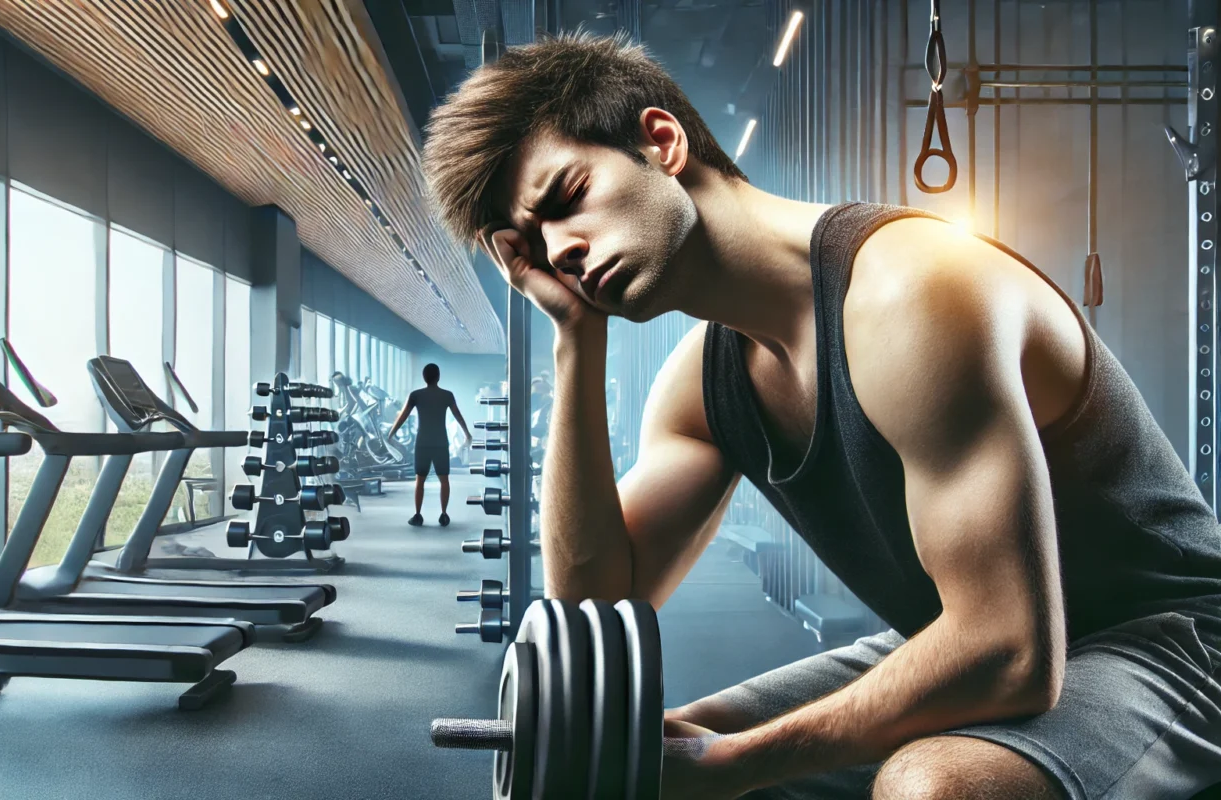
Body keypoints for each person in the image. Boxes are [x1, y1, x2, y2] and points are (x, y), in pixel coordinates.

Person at [420, 33, 1221, 800]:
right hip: (972, 626)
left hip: (1173, 644)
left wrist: (737, 765)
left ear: (661, 141)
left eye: (567, 198)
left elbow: (1009, 652)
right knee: (641, 751)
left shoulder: (910, 291)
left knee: (930, 787)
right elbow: (591, 613)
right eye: (533, 243)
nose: (562, 248)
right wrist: (574, 343)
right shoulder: (703, 385)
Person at [388, 363, 472, 526]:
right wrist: (467, 433)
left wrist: (391, 433)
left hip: (423, 442)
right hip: (440, 442)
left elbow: (403, 416)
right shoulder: (447, 395)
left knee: (420, 480)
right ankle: (444, 514)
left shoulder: (416, 395)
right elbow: (458, 415)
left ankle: (418, 515)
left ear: (424, 377)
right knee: (444, 480)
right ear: (438, 377)